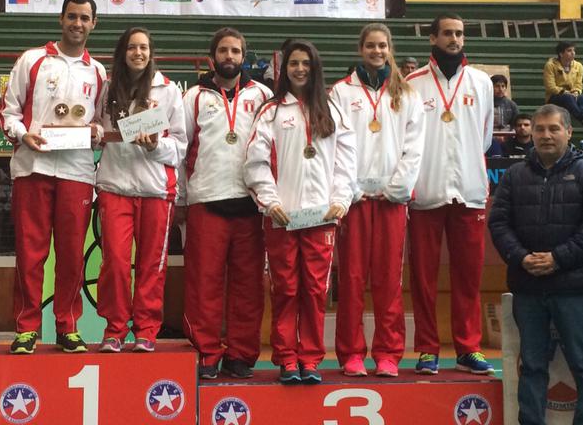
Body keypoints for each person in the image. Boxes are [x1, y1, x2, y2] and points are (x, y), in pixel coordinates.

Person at [0, 0, 106, 354]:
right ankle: (27, 328)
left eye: (85, 18)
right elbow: (7, 113)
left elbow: (103, 124)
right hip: (34, 166)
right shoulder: (32, 60)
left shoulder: (99, 71)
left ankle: (67, 325)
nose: (78, 24)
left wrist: (96, 132)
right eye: (72, 17)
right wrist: (21, 134)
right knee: (31, 253)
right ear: (61, 19)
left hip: (77, 171)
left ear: (94, 24)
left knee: (73, 255)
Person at [489, 104, 583, 425]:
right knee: (531, 365)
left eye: (553, 129)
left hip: (575, 288)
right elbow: (499, 224)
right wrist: (522, 257)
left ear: (569, 132)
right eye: (540, 129)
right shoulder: (515, 175)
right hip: (528, 287)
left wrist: (558, 259)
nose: (545, 135)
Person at [244, 39, 356, 385]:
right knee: (286, 288)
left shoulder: (333, 111)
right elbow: (255, 162)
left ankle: (310, 358)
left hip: (321, 217)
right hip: (283, 217)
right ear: (284, 68)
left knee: (314, 290)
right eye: (294, 63)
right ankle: (286, 358)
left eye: (306, 62)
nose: (300, 69)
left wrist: (341, 200)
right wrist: (270, 201)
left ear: (315, 66)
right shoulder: (272, 111)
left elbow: (346, 163)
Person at [329, 23, 424, 378]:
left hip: (390, 201)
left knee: (388, 279)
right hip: (353, 201)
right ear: (360, 49)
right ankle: (351, 353)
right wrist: (349, 188)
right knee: (352, 279)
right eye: (370, 45)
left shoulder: (407, 93)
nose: (377, 51)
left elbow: (414, 147)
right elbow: (335, 143)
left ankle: (387, 352)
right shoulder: (340, 92)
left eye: (382, 45)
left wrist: (397, 187)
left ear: (390, 48)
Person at [405, 13, 496, 375]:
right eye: (447, 33)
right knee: (424, 277)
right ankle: (428, 348)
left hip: (469, 191)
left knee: (468, 276)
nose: (454, 39)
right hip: (425, 192)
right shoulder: (412, 83)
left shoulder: (482, 82)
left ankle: (468, 347)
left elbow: (485, 137)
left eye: (459, 33)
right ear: (432, 39)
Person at [181, 27, 273, 380]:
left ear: (243, 56)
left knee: (248, 286)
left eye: (236, 51)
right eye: (224, 50)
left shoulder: (263, 94)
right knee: (204, 284)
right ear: (212, 57)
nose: (230, 57)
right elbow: (180, 148)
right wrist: (181, 200)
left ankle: (241, 354)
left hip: (251, 204)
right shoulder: (194, 96)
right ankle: (206, 352)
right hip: (207, 200)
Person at [94, 28, 186, 353]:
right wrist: (94, 133)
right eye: (132, 47)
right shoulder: (106, 89)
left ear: (151, 53)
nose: (138, 52)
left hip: (156, 189)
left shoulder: (169, 90)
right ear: (122, 52)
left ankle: (146, 329)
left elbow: (180, 146)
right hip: (115, 185)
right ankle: (115, 329)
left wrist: (155, 147)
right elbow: (93, 129)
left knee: (151, 265)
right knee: (115, 262)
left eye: (144, 47)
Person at [544, 41, 583, 127]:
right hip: (555, 97)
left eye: (574, 50)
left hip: (572, 95)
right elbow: (550, 86)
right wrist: (565, 92)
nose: (573, 53)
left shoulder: (579, 66)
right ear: (561, 54)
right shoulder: (550, 65)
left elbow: (578, 84)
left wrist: (576, 91)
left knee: (582, 98)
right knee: (568, 97)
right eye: (569, 51)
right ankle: (582, 118)